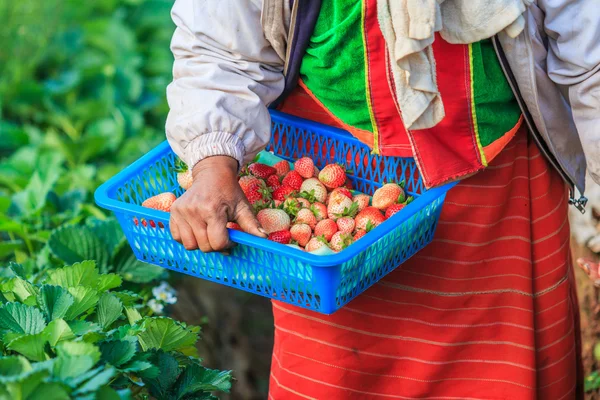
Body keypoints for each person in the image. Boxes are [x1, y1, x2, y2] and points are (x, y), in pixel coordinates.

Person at [165, 0, 600, 398]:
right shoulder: (312, 205)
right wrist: (212, 163)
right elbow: (221, 45)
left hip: (496, 185)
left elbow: (591, 48)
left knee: (501, 373)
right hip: (332, 179)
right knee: (335, 377)